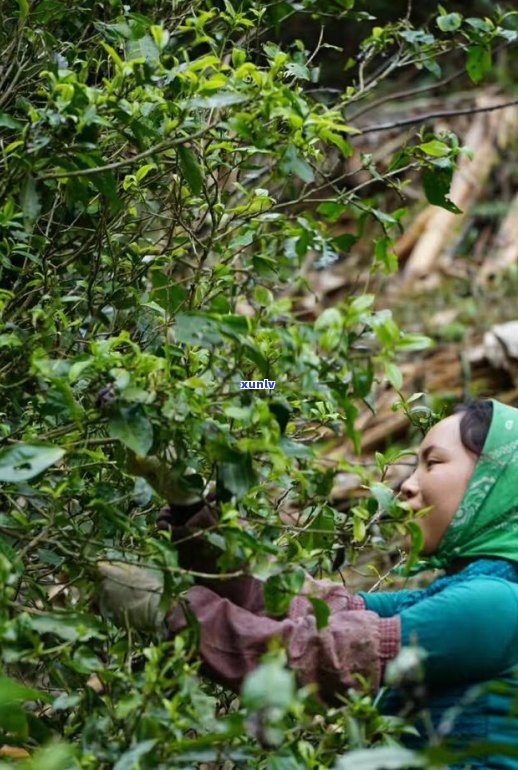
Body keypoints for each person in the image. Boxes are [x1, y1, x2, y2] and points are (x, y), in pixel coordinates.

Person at [101, 399, 518, 769]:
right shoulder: (477, 589)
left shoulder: (493, 604)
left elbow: (322, 655)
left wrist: (172, 615)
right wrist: (192, 508)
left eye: (433, 463)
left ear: (495, 482)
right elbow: (312, 608)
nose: (407, 484)